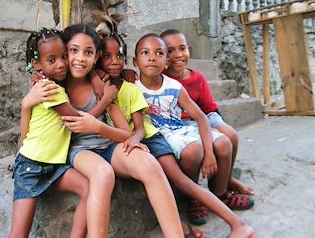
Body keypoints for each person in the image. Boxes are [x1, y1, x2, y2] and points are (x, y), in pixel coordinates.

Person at [95, 33, 255, 238]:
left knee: (182, 181)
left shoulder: (133, 87)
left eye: (118, 56)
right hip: (145, 140)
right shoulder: (124, 84)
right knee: (170, 181)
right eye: (107, 57)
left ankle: (237, 223)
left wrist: (133, 136)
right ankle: (186, 228)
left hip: (152, 138)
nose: (114, 61)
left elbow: (138, 128)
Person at [59, 24, 185, 238]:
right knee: (102, 173)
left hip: (109, 145)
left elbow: (126, 133)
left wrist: (99, 126)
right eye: (73, 50)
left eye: (88, 52)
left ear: (95, 55)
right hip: (80, 151)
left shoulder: (103, 85)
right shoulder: (57, 85)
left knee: (149, 164)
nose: (80, 58)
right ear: (64, 52)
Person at [160, 29, 255, 222]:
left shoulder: (198, 78)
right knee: (203, 147)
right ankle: (194, 199)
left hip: (203, 116)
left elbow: (209, 110)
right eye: (170, 50)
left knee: (231, 135)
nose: (178, 55)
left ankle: (223, 185)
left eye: (182, 48)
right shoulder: (160, 78)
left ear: (190, 50)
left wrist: (215, 129)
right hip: (181, 122)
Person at [10, 28, 94, 238]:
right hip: (31, 167)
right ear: (37, 64)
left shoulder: (50, 84)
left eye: (64, 56)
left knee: (87, 187)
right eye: (52, 59)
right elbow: (77, 119)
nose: (61, 63)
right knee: (18, 234)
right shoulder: (48, 89)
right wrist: (106, 99)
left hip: (54, 167)